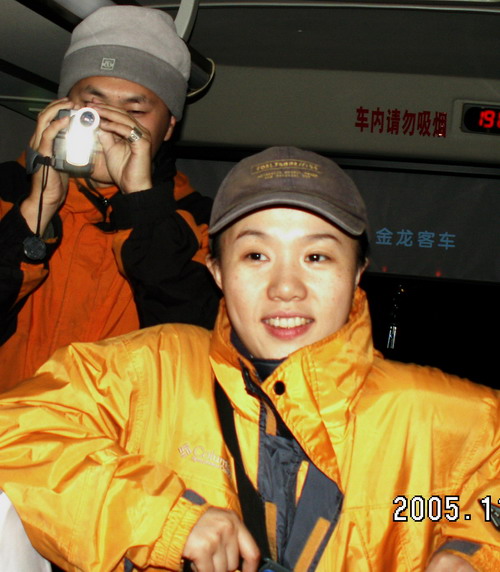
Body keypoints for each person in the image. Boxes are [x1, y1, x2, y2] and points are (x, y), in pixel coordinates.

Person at [0, 146, 498, 571]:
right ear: (217, 270)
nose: (286, 287)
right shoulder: (148, 371)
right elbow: (16, 437)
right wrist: (165, 519)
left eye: (317, 257)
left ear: (357, 272)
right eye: (256, 256)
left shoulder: (446, 418)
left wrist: (473, 553)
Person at [0, 5, 220, 390]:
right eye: (93, 108)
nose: (110, 126)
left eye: (134, 111)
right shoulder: (6, 191)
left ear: (169, 126)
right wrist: (36, 210)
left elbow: (197, 349)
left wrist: (143, 206)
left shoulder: (205, 224)